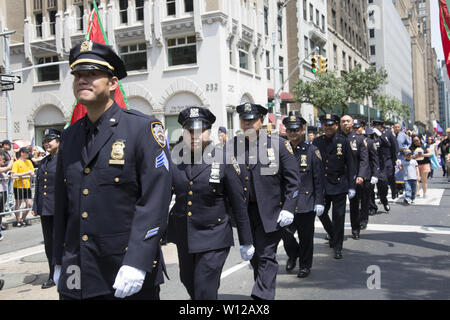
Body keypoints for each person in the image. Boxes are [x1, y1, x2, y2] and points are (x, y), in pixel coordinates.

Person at [53, 40, 172, 300]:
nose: (83, 80)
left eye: (93, 74)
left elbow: (155, 200)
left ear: (113, 83)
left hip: (124, 268)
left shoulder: (142, 129)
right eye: (78, 75)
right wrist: (59, 260)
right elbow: (64, 204)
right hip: (78, 268)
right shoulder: (70, 136)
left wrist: (138, 261)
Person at [168, 107, 254, 300]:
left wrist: (246, 240)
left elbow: (238, 203)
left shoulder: (224, 159)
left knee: (204, 288)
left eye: (201, 130)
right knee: (187, 280)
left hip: (213, 235)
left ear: (209, 131)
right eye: (190, 130)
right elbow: (162, 197)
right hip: (185, 235)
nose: (195, 135)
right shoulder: (174, 159)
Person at [231, 102, 300, 300]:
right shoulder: (232, 147)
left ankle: (262, 297)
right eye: (244, 120)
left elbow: (293, 181)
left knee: (266, 255)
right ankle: (262, 289)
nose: (248, 124)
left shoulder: (279, 145)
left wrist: (289, 207)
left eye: (252, 120)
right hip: (245, 213)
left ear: (261, 121)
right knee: (256, 256)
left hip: (271, 212)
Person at [280, 111, 324, 278]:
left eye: (296, 130)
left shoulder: (312, 151)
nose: (292, 133)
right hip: (286, 202)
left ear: (302, 130)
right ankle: (293, 254)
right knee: (286, 234)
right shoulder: (280, 150)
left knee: (306, 237)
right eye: (290, 130)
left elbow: (318, 179)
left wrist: (319, 201)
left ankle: (305, 265)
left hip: (306, 201)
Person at [313, 114, 356, 259]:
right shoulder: (317, 142)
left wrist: (352, 186)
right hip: (322, 186)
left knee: (339, 217)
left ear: (336, 126)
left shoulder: (343, 141)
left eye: (331, 125)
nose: (328, 127)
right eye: (325, 125)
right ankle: (332, 233)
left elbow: (350, 164)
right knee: (321, 213)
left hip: (339, 185)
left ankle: (338, 246)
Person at [31, 128, 61, 289]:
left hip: (60, 208)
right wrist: (36, 205)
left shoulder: (65, 159)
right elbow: (38, 186)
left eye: (50, 140)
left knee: (61, 242)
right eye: (44, 141)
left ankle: (65, 271)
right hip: (45, 208)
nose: (46, 143)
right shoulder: (43, 161)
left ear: (58, 141)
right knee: (49, 244)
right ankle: (52, 274)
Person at [340, 116, 369, 240]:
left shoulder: (359, 139)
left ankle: (355, 229)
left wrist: (361, 175)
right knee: (338, 208)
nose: (345, 123)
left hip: (354, 177)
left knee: (354, 205)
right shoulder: (336, 139)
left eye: (348, 121)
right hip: (339, 178)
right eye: (343, 121)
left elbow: (364, 160)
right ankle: (335, 231)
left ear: (352, 123)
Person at [372, 120, 394, 212]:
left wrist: (380, 135)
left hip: (381, 165)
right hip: (371, 164)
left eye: (378, 126)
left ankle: (384, 200)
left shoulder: (383, 136)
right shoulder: (370, 134)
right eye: (375, 126)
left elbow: (389, 144)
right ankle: (372, 207)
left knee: (383, 184)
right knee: (369, 188)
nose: (376, 127)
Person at [361, 128, 380, 229]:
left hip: (368, 173)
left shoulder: (370, 142)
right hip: (355, 175)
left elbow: (375, 159)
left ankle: (363, 220)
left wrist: (375, 174)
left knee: (366, 197)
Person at [11, 147, 34, 227]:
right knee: (18, 203)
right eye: (26, 153)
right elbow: (13, 175)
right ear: (22, 153)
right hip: (18, 186)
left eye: (28, 153)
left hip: (27, 186)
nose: (28, 154)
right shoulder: (16, 163)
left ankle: (23, 218)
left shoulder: (29, 162)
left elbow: (32, 172)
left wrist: (31, 173)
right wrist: (25, 173)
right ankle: (18, 220)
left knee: (30, 204)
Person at [394, 123, 411, 195]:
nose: (397, 128)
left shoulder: (403, 135)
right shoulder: (391, 134)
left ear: (400, 127)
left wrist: (406, 148)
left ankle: (401, 187)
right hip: (394, 154)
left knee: (400, 170)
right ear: (393, 127)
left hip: (401, 154)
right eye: (396, 127)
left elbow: (409, 143)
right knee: (395, 170)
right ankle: (396, 187)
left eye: (398, 127)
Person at [0, 152, 9, 240]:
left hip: (3, 191)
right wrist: (12, 159)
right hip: (0, 192)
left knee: (1, 212)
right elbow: (8, 167)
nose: (4, 161)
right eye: (2, 159)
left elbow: (5, 174)